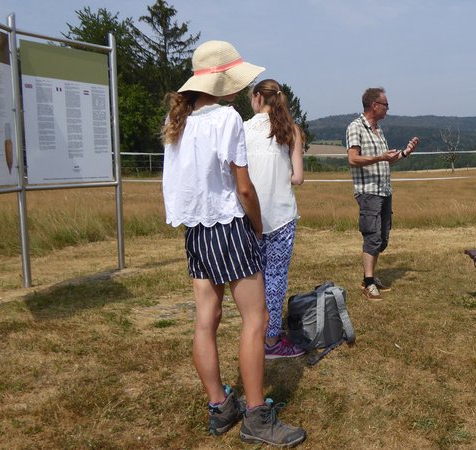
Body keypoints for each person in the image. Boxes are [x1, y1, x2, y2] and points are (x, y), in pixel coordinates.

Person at [161, 40, 305, 446]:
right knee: (255, 319)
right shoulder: (226, 118)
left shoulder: (180, 122)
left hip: (197, 232)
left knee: (206, 319)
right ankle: (257, 416)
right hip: (229, 226)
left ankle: (220, 406)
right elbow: (244, 189)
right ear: (223, 82)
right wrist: (256, 226)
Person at [245, 79, 306, 359]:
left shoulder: (242, 130)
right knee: (276, 276)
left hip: (249, 216)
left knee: (252, 276)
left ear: (258, 98)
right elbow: (298, 178)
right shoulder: (291, 130)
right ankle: (271, 341)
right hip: (281, 215)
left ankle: (255, 330)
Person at [346, 87, 419, 301]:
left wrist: (405, 153)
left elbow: (387, 159)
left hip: (384, 191)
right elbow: (353, 158)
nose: (388, 109)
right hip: (368, 192)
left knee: (382, 237)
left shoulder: (379, 130)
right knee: (372, 235)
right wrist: (379, 157)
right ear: (374, 106)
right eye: (386, 105)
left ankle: (370, 277)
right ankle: (369, 282)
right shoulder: (355, 127)